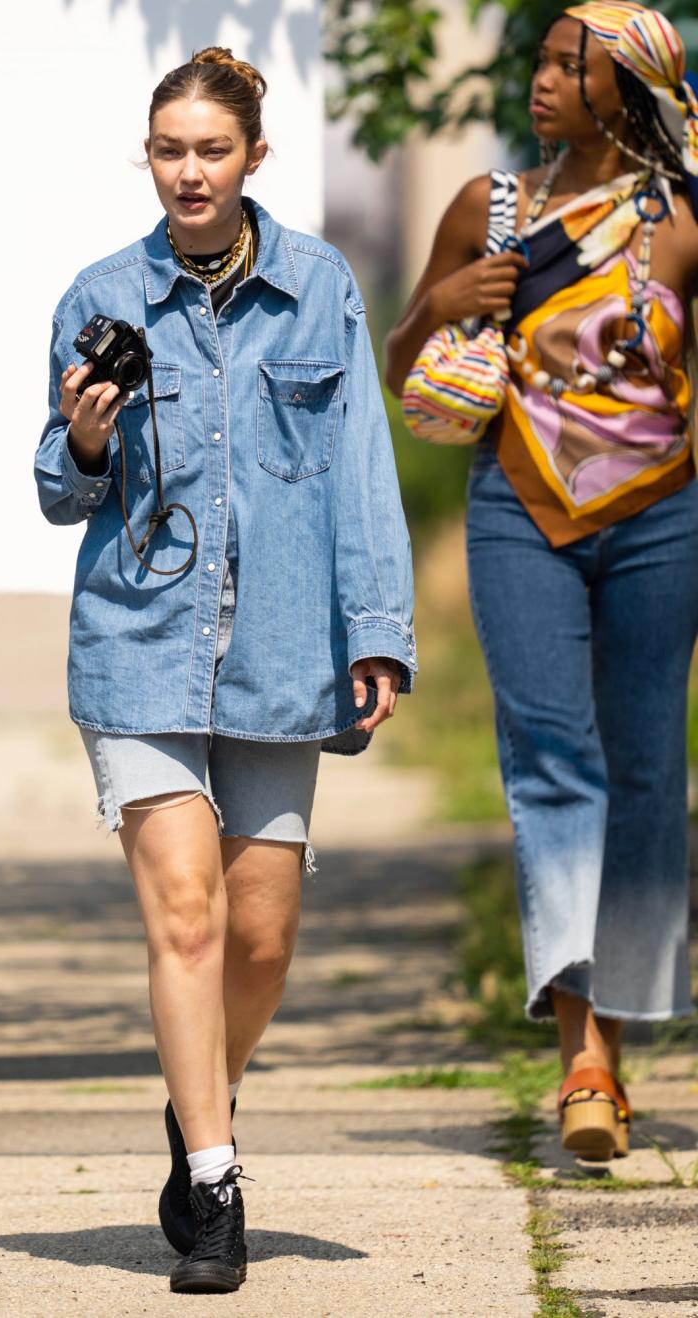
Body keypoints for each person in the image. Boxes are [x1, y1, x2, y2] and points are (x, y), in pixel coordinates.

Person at [35, 46, 415, 1294]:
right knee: (186, 911)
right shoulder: (102, 293)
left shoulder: (319, 287)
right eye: (167, 151)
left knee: (260, 930)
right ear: (147, 159)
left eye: (210, 151)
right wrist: (83, 440)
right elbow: (56, 486)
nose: (187, 172)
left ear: (252, 157)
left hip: (283, 646)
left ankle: (201, 1094)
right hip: (140, 639)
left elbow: (362, 463)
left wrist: (379, 627)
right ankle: (215, 1179)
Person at [387, 1, 698, 1163]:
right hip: (519, 510)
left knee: (647, 771)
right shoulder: (491, 209)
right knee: (553, 764)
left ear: (631, 88)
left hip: (663, 519)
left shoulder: (683, 222)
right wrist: (441, 309)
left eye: (576, 64)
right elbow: (401, 361)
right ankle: (582, 1052)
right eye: (544, 59)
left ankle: (616, 1032)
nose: (546, 79)